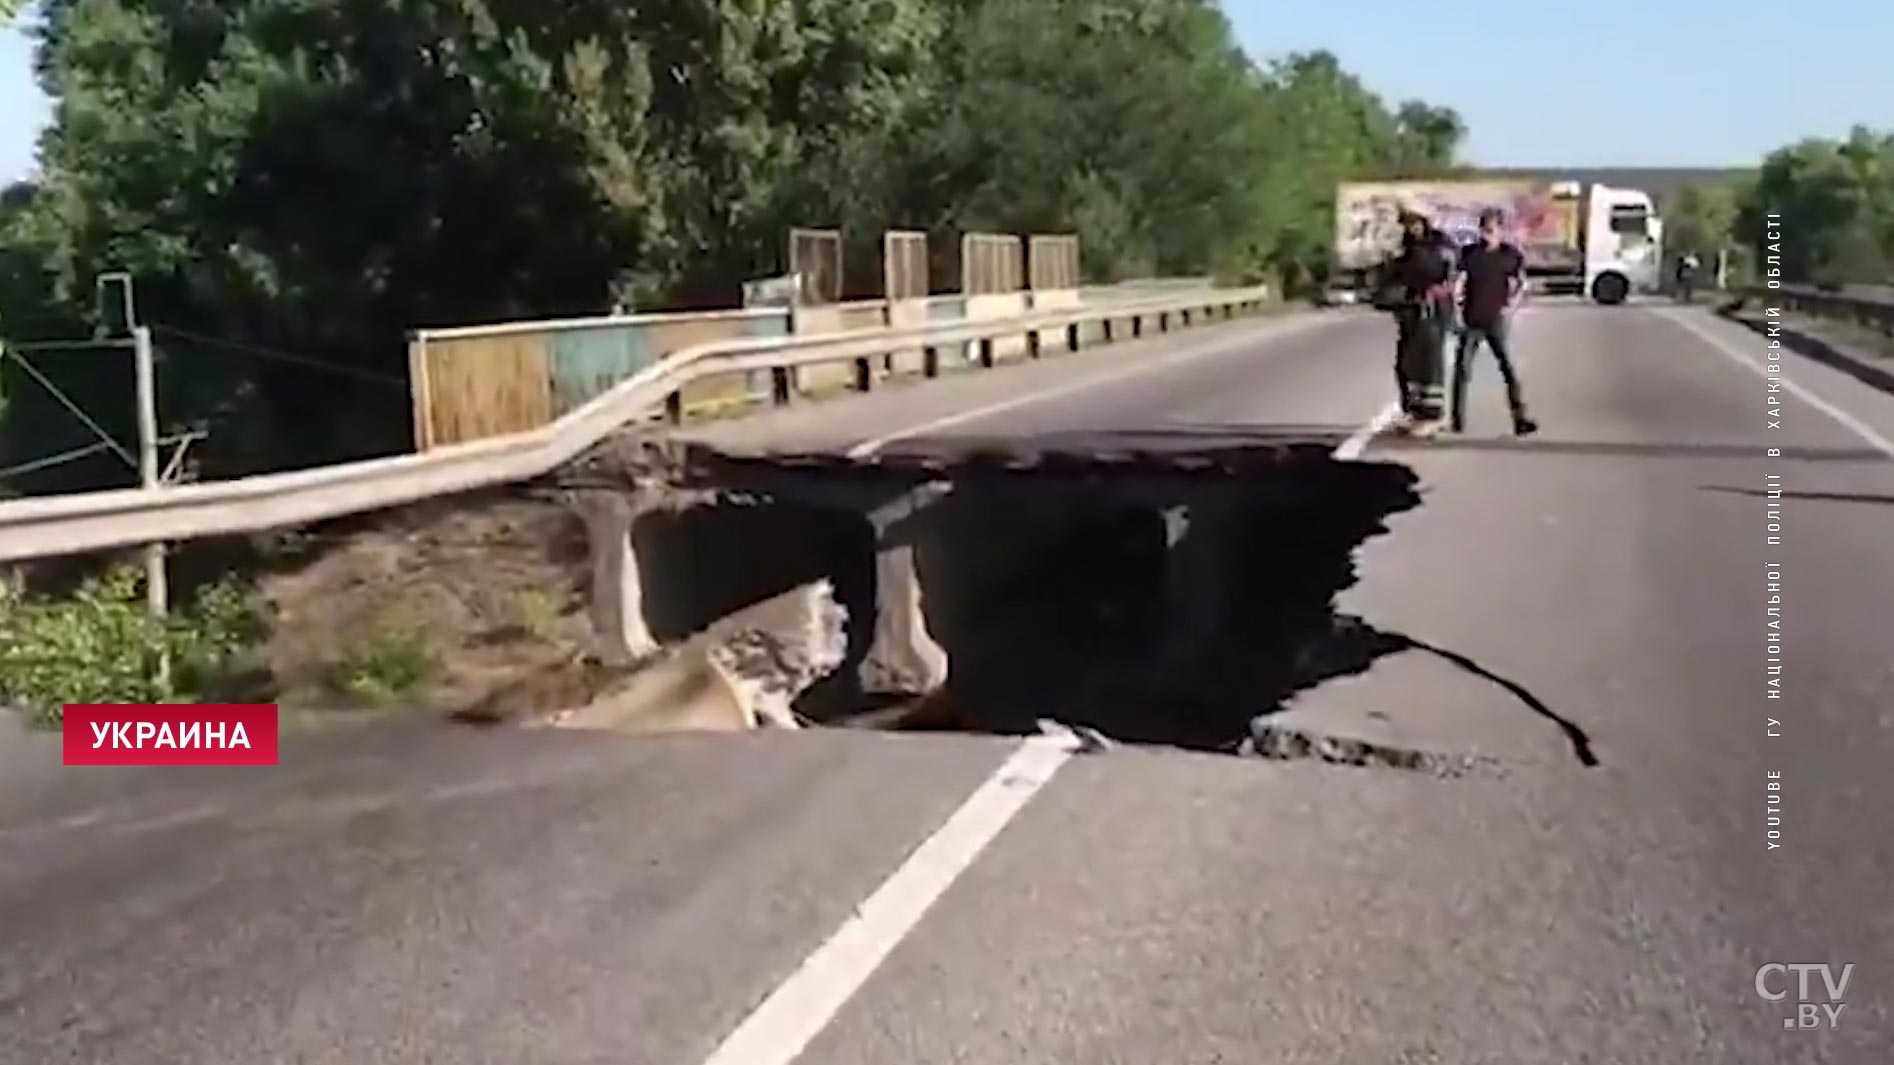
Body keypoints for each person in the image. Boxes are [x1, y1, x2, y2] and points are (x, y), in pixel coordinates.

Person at [1450, 208, 1537, 436]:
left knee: (1508, 369)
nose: (1486, 235)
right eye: (1483, 230)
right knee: (1462, 370)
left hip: (1495, 319)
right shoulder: (1470, 254)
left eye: (1490, 230)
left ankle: (1520, 418)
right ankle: (1457, 420)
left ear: (1500, 230)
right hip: (1471, 318)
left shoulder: (1509, 255)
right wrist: (1456, 305)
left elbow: (1522, 282)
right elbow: (1460, 280)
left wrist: (1512, 303)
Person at [1385, 208, 1457, 437]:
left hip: (1432, 314)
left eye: (1414, 224)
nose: (1411, 229)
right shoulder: (1407, 249)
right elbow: (1395, 277)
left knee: (1429, 366)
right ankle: (1413, 411)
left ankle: (1432, 415)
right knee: (1407, 365)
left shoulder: (1437, 247)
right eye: (1406, 225)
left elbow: (1438, 273)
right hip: (1411, 315)